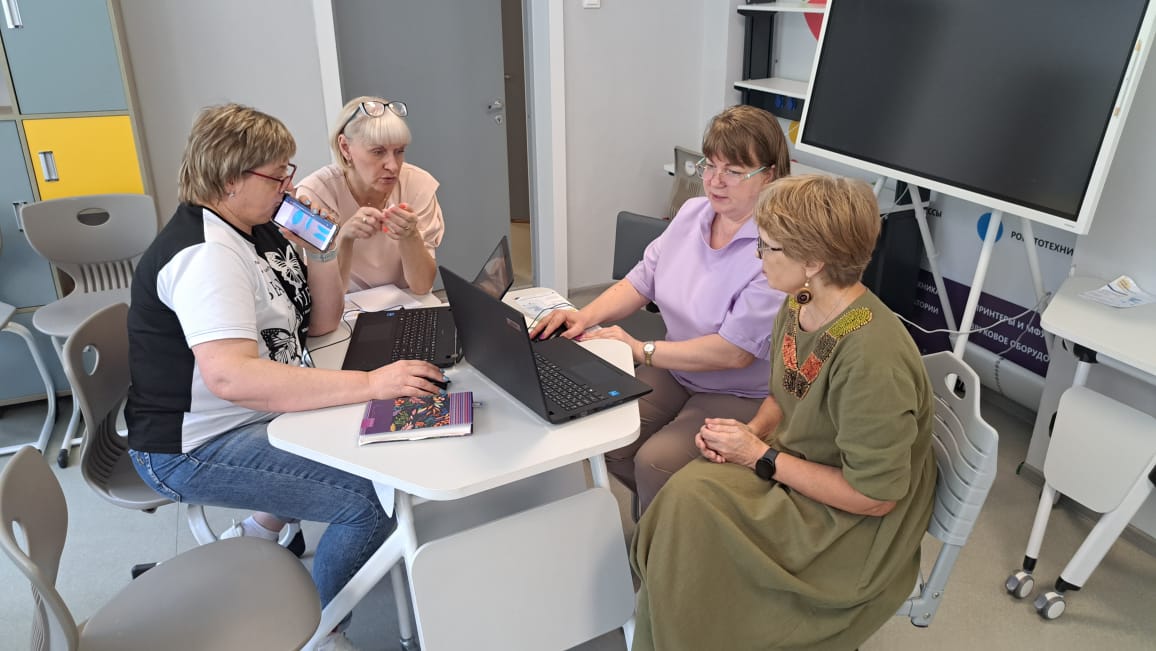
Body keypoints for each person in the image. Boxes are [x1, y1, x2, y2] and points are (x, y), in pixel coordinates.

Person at [125, 104, 447, 651]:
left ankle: (259, 532)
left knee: (371, 441)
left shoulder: (259, 229)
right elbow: (232, 379)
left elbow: (320, 322)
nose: (289, 187)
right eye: (278, 176)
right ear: (230, 179)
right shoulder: (207, 255)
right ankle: (323, 630)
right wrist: (371, 385)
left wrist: (323, 248)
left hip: (252, 410)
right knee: (371, 499)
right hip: (193, 445)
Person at [630, 174, 939, 651]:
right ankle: (675, 622)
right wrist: (750, 434)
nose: (759, 257)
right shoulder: (800, 304)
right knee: (683, 502)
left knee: (691, 518)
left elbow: (874, 498)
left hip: (851, 528)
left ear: (813, 262)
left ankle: (684, 628)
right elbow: (782, 393)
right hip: (802, 464)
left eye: (769, 248)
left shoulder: (873, 359)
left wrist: (760, 456)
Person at [530, 104, 790, 513]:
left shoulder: (776, 247)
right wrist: (584, 316)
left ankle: (670, 536)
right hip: (676, 370)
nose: (715, 180)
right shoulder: (693, 214)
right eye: (710, 165)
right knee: (605, 440)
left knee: (656, 462)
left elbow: (734, 352)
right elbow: (642, 279)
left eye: (734, 171)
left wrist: (641, 350)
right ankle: (670, 519)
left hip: (739, 391)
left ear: (769, 175)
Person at [296, 95, 445, 295]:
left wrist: (411, 236)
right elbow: (324, 296)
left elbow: (422, 285)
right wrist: (345, 237)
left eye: (399, 151)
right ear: (345, 147)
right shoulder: (315, 193)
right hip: (346, 306)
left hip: (407, 302)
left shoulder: (418, 185)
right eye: (378, 152)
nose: (393, 166)